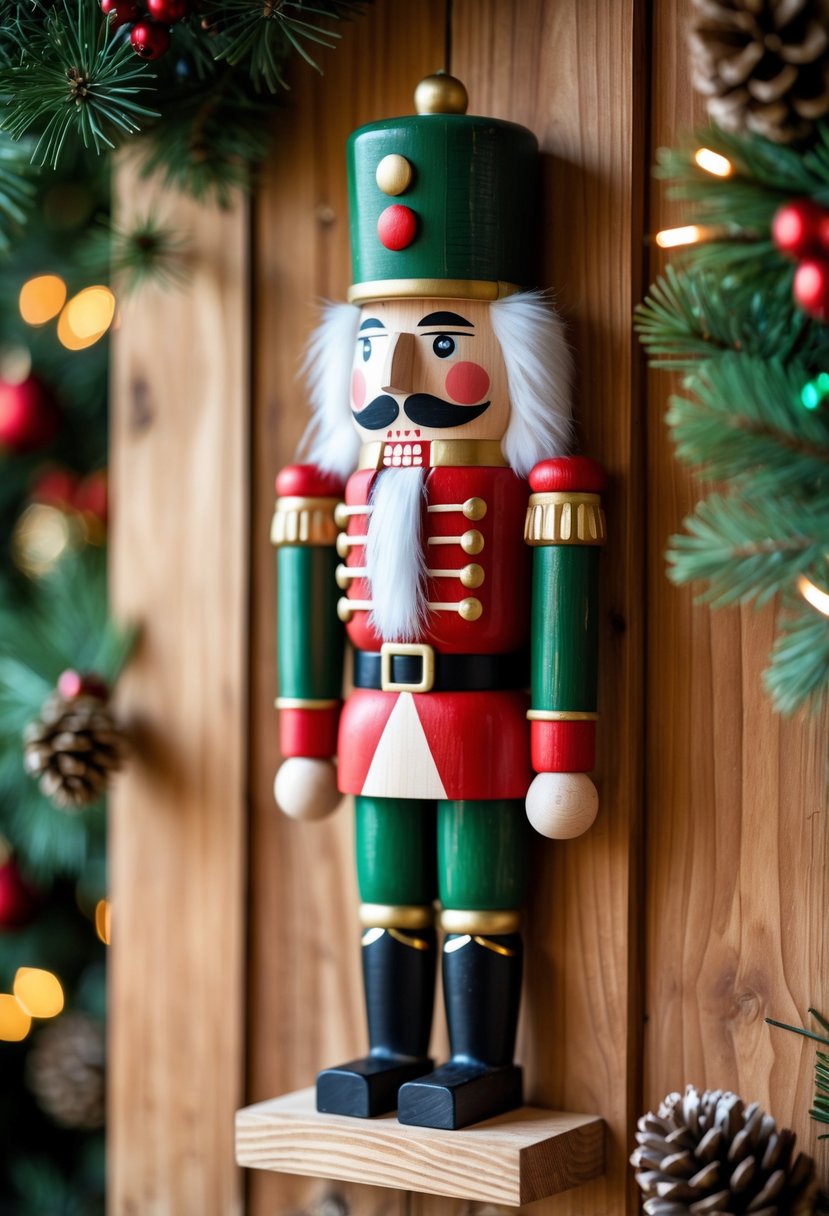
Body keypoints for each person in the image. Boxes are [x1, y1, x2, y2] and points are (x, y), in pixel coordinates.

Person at [271, 73, 606, 1130]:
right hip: (374, 718)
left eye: (445, 340)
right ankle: (386, 1049)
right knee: (385, 894)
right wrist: (303, 736)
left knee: (475, 894)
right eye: (374, 341)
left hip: (480, 719)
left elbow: (558, 622)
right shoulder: (334, 487)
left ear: (516, 360)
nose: (401, 365)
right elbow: (305, 618)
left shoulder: (537, 491)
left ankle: (476, 1058)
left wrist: (561, 754)